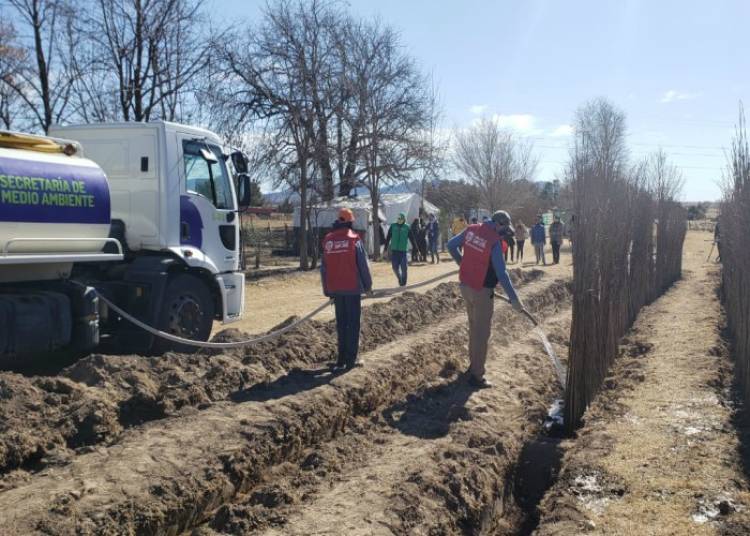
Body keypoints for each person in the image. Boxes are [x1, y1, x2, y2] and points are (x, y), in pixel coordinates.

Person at [447, 210, 525, 389]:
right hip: (481, 290)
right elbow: (501, 273)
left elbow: (451, 245)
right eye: (503, 228)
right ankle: (477, 375)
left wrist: (462, 263)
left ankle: (472, 366)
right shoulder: (494, 241)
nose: (504, 232)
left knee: (474, 328)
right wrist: (514, 298)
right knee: (482, 334)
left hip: (465, 286)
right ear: (497, 224)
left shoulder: (471, 229)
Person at [320, 208, 373, 372]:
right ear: (350, 222)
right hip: (352, 289)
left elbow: (324, 269)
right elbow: (363, 265)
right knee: (353, 324)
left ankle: (340, 360)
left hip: (336, 290)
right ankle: (351, 360)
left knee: (341, 324)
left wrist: (327, 291)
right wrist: (368, 286)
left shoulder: (328, 240)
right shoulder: (354, 240)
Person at [384, 212, 413, 286]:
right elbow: (388, 238)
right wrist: (385, 249)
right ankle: (399, 278)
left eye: (400, 219)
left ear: (404, 219)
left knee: (404, 267)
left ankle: (404, 282)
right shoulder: (393, 226)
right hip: (394, 251)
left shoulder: (407, 227)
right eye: (398, 219)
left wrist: (416, 249)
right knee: (394, 267)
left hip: (403, 251)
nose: (399, 220)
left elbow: (412, 238)